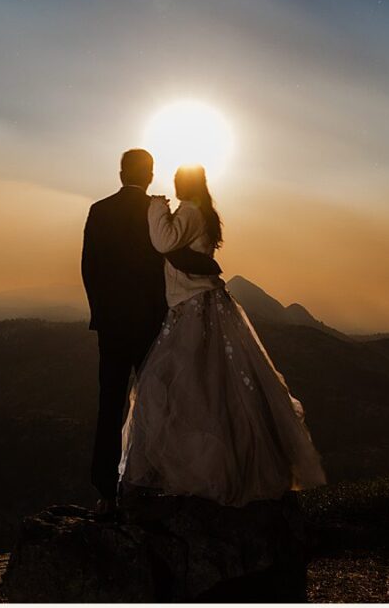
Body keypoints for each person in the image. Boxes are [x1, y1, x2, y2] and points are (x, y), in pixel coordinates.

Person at [119, 164, 327, 507]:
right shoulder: (204, 212)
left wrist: (156, 206)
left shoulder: (188, 211)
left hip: (192, 307)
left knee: (185, 386)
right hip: (201, 304)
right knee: (211, 386)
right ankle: (225, 468)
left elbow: (163, 241)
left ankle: (199, 473)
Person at [81, 148, 223, 515]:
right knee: (156, 401)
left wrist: (102, 314)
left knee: (110, 404)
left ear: (120, 173)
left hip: (113, 327)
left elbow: (89, 269)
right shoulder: (156, 212)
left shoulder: (99, 211)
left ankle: (106, 491)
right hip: (151, 323)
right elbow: (172, 259)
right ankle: (153, 479)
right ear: (149, 174)